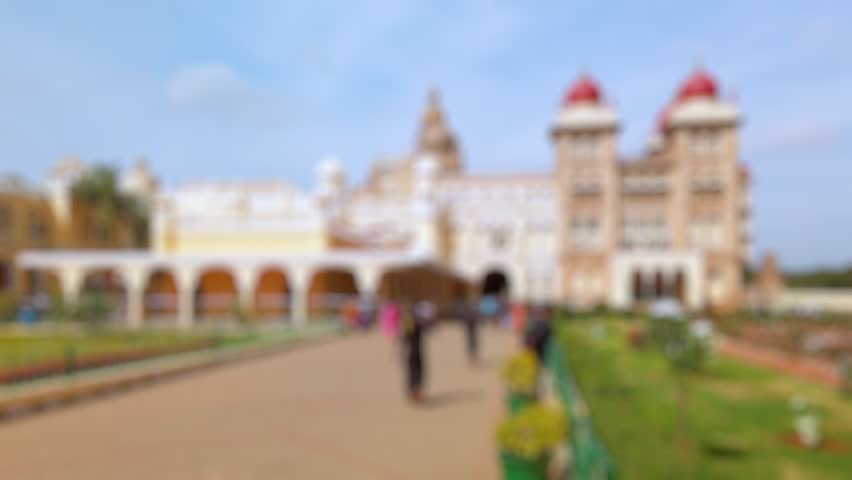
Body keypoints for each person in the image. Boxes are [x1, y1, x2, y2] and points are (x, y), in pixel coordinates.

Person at [402, 300, 436, 404]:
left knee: (413, 372)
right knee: (417, 372)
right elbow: (428, 328)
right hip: (416, 350)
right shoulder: (417, 321)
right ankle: (416, 393)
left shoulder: (409, 321)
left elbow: (405, 337)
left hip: (411, 351)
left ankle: (415, 393)